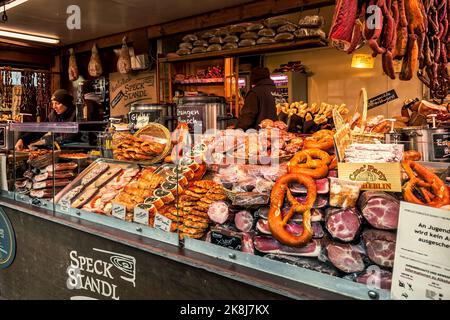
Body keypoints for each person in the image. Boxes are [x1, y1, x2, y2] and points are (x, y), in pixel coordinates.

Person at [15, 89, 80, 151]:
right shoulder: (53, 116)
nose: (54, 107)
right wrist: (23, 139)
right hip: (58, 152)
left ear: (66, 104)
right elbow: (39, 129)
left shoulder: (78, 114)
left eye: (57, 103)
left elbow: (78, 137)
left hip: (77, 152)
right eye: (53, 103)